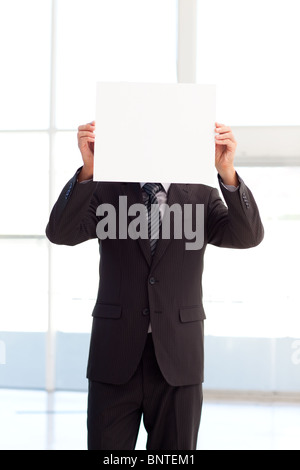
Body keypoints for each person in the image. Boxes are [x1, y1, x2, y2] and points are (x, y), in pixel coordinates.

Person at [46, 121, 264, 450]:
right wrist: (88, 170)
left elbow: (247, 236)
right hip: (114, 358)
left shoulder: (201, 197)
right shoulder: (105, 190)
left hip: (178, 360)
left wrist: (227, 173)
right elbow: (60, 232)